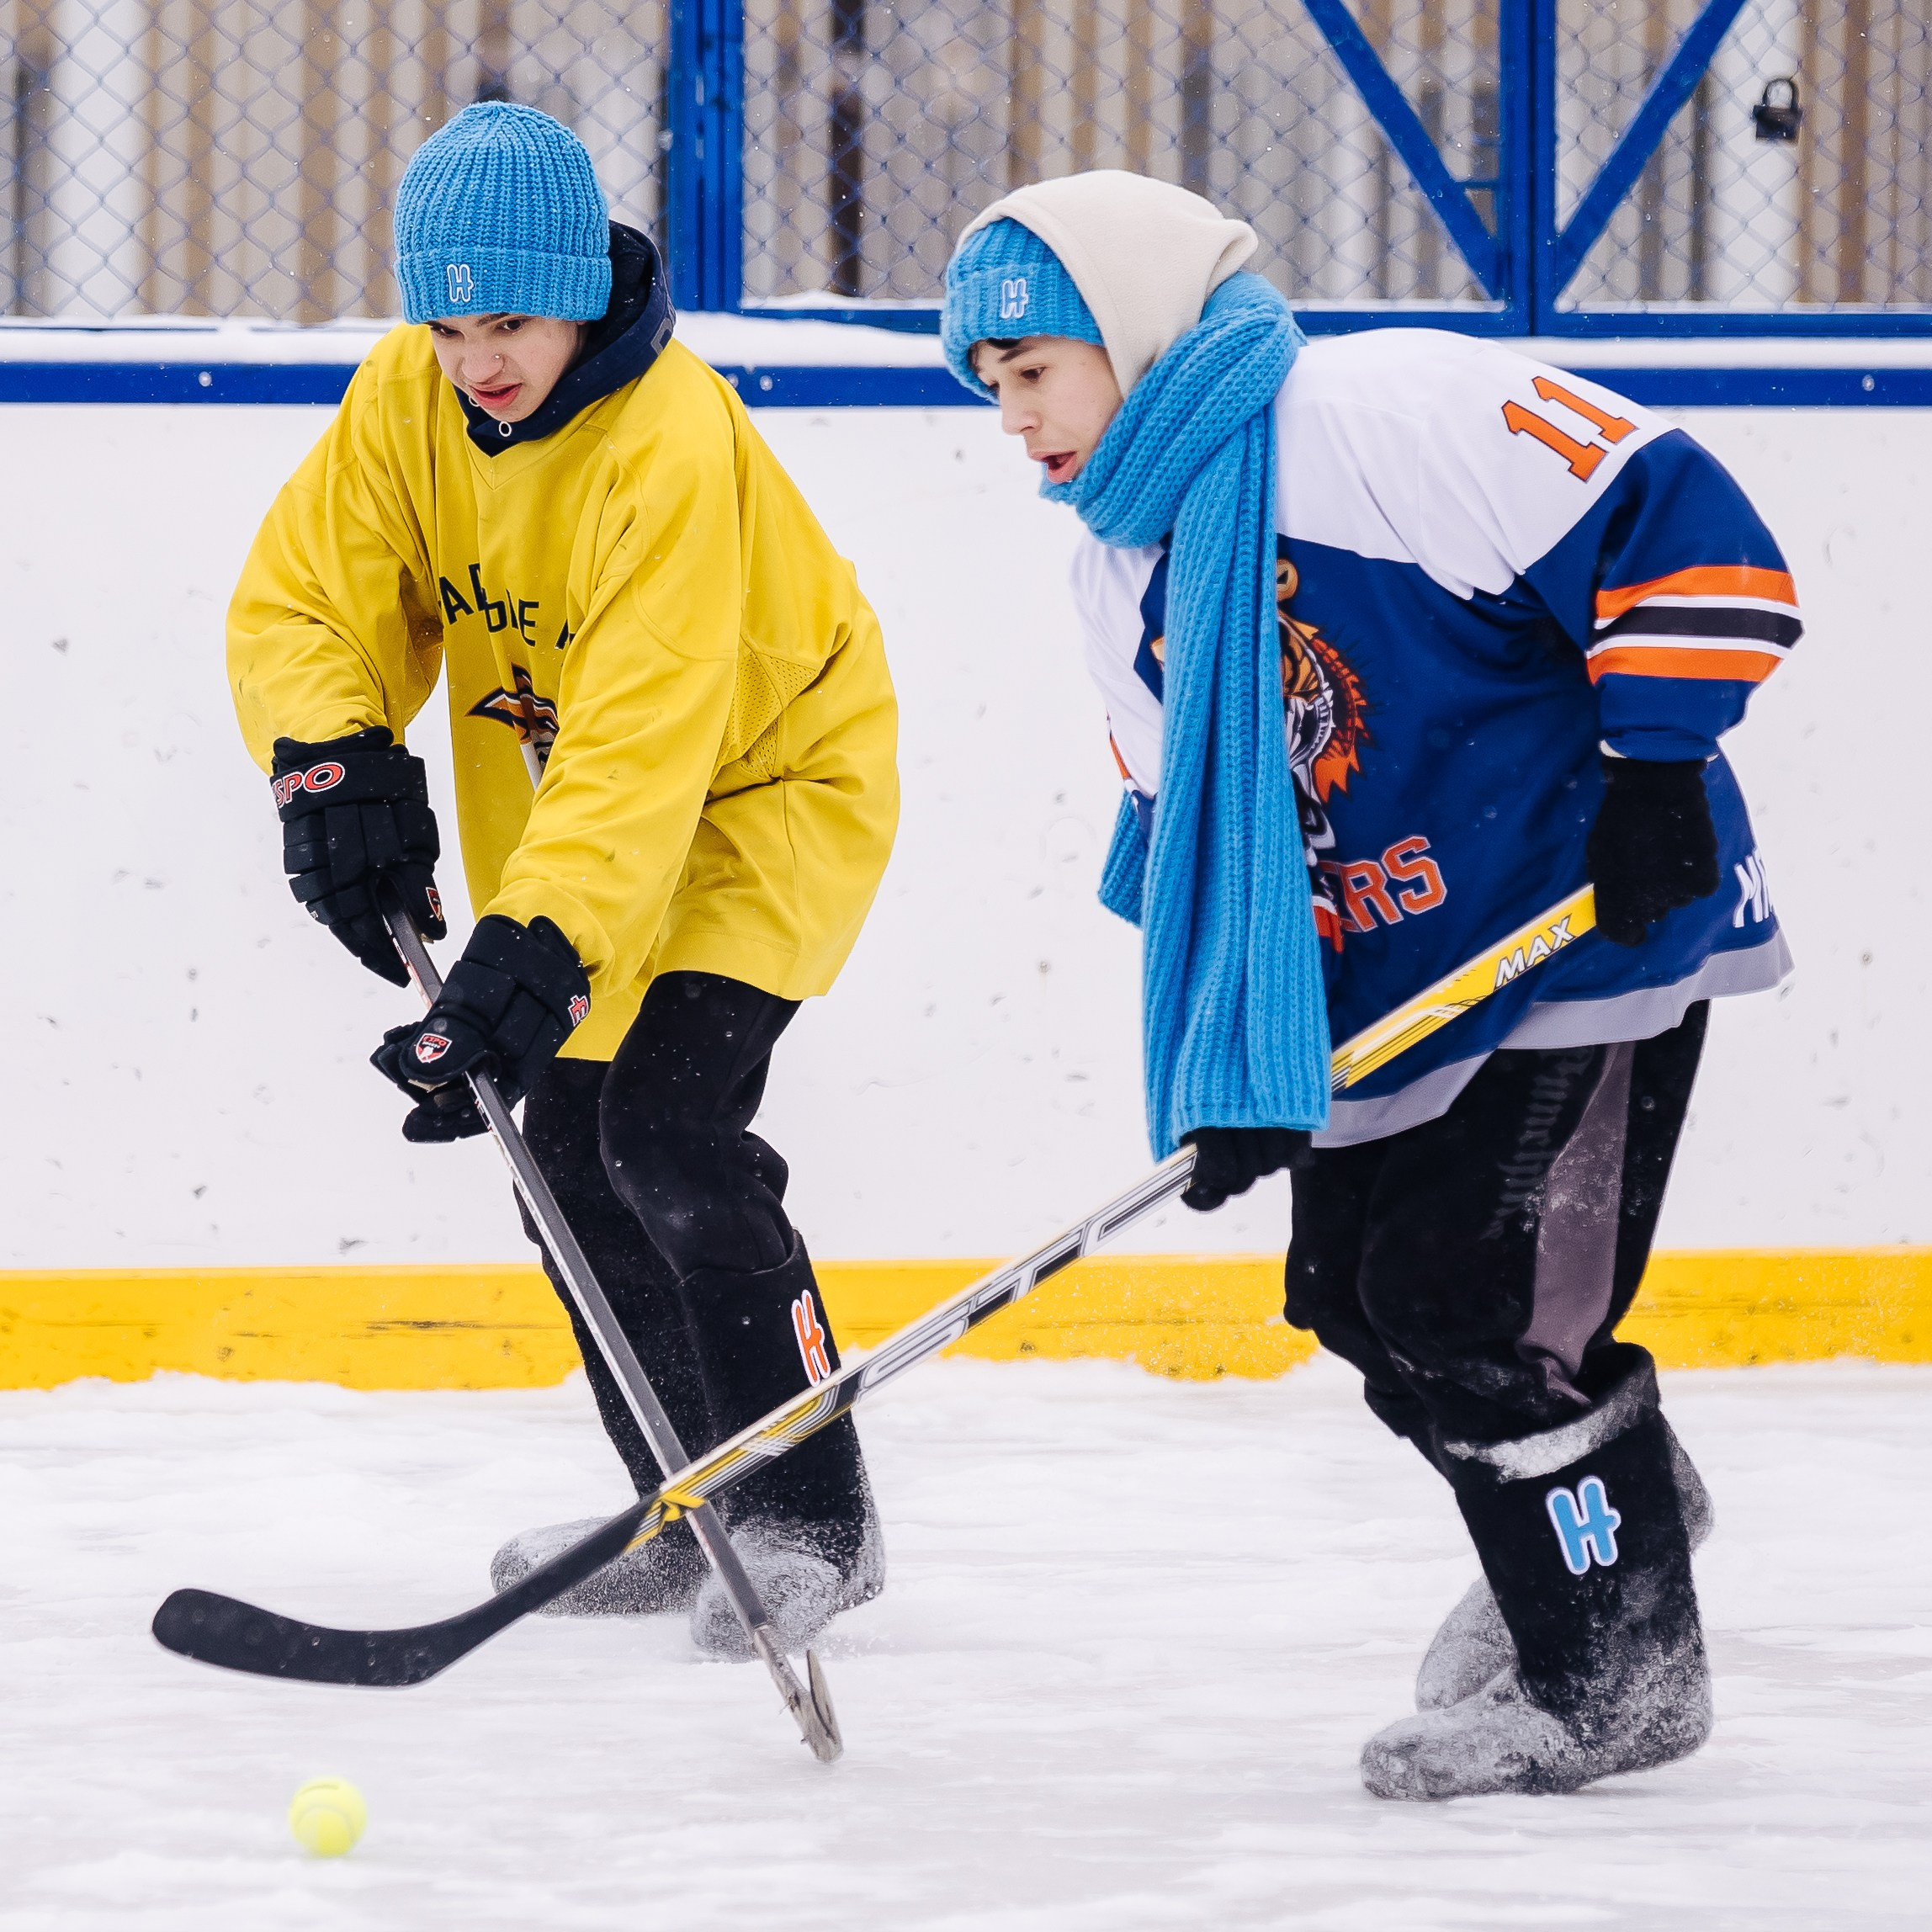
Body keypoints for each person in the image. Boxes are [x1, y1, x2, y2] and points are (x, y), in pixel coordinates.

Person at [941, 170, 1797, 1798]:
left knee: (1464, 1298)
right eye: (988, 385)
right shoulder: (1122, 571)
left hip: (1580, 930)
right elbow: (1192, 848)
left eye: (1031, 367)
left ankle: (1612, 1679)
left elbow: (1684, 525)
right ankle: (1613, 1513)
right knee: (1348, 1295)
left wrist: (1659, 764)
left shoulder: (1394, 409)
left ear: (1130, 328)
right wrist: (1241, 1066)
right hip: (1400, 978)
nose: (1012, 417)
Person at [228, 102, 899, 1656]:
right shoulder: (409, 398)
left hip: (764, 802)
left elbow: (652, 731)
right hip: (594, 810)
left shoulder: (668, 443)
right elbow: (309, 596)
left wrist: (533, 942)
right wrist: (329, 759)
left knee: (664, 1130)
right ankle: (681, 1507)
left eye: (510, 320)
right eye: (448, 324)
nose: (479, 360)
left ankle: (814, 1520)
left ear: (582, 289)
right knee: (572, 1163)